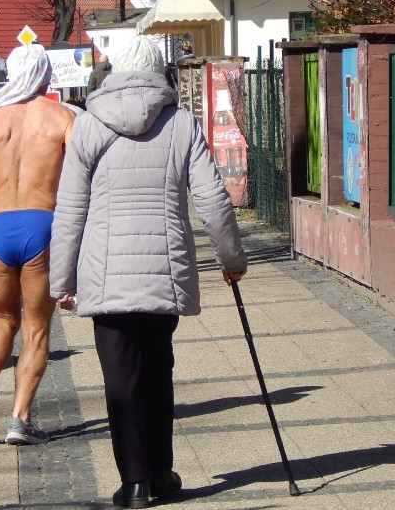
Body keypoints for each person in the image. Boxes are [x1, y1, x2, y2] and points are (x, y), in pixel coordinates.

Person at [49, 36, 248, 508]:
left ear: (115, 69)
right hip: (164, 268)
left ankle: (134, 482)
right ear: (160, 71)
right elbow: (213, 200)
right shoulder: (180, 123)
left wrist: (62, 281)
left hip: (105, 273)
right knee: (159, 371)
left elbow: (70, 209)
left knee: (120, 379)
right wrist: (232, 260)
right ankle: (161, 472)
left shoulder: (88, 125)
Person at [0, 43, 76, 444]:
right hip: (43, 223)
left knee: (3, 319)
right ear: (44, 74)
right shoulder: (62, 117)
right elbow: (83, 173)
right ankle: (19, 420)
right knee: (37, 329)